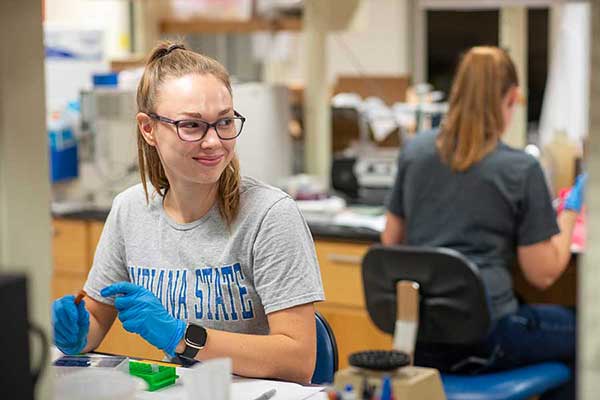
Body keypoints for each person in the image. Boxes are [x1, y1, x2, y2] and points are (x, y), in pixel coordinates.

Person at [52, 41, 324, 384]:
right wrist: (75, 333)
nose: (214, 141)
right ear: (148, 128)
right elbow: (94, 317)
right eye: (192, 126)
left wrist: (183, 335)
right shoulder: (130, 210)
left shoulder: (269, 214)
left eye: (224, 122)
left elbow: (298, 359)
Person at [381, 46, 585, 399]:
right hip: (490, 339)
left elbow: (390, 241)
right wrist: (570, 210)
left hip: (425, 338)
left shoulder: (414, 152)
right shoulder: (520, 168)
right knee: (589, 333)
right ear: (509, 99)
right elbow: (543, 273)